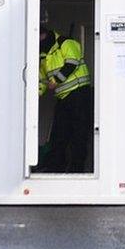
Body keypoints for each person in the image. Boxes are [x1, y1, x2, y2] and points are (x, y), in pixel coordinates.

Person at [40, 23, 93, 172]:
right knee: (59, 134)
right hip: (64, 97)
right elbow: (42, 78)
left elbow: (72, 63)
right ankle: (55, 166)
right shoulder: (44, 55)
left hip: (79, 94)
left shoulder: (66, 43)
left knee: (79, 135)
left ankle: (77, 169)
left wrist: (56, 81)